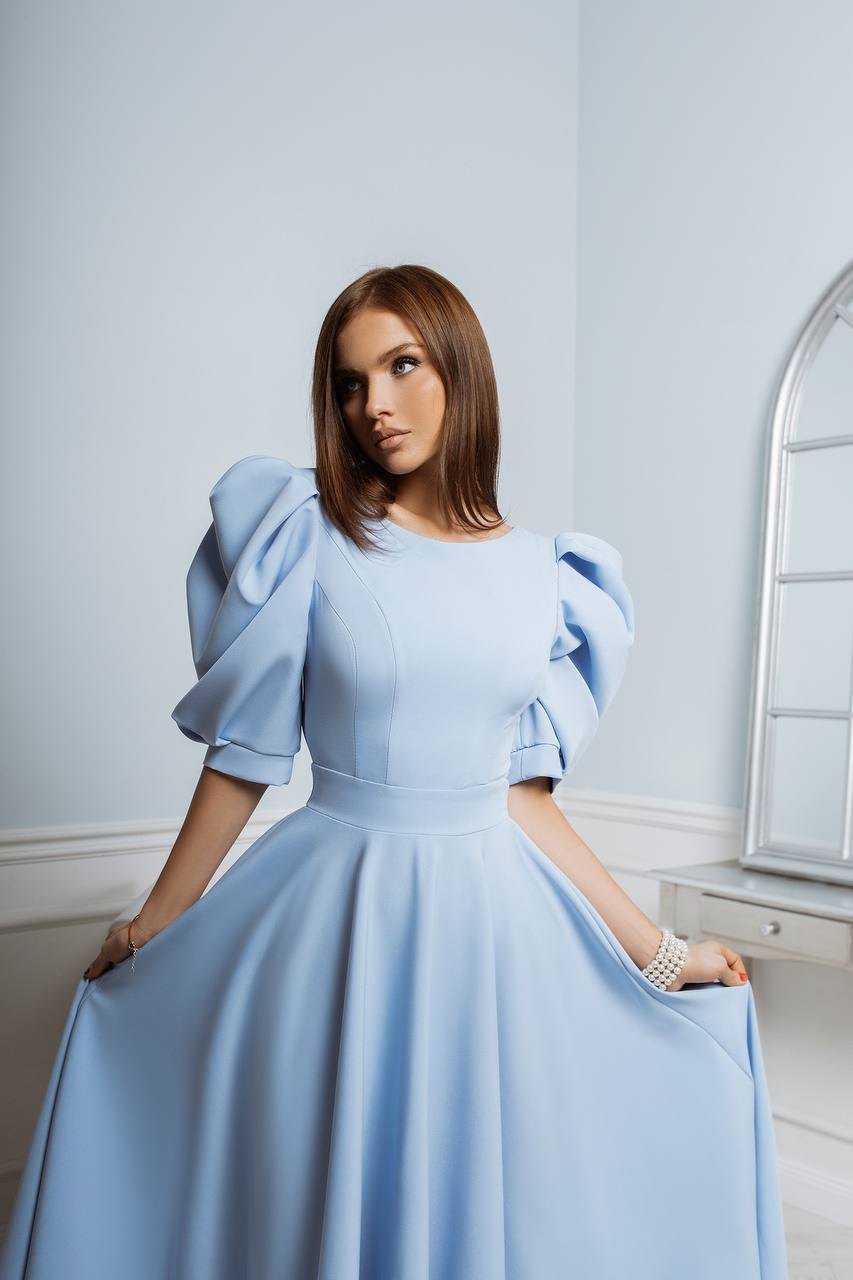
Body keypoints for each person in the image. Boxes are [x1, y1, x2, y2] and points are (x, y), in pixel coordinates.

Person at [0, 264, 789, 1279]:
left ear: (458, 368)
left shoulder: (549, 572)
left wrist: (656, 949)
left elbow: (521, 795)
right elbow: (242, 759)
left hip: (494, 925)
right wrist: (156, 917)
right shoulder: (307, 540)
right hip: (340, 917)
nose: (373, 404)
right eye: (348, 381)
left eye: (401, 365)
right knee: (321, 1197)